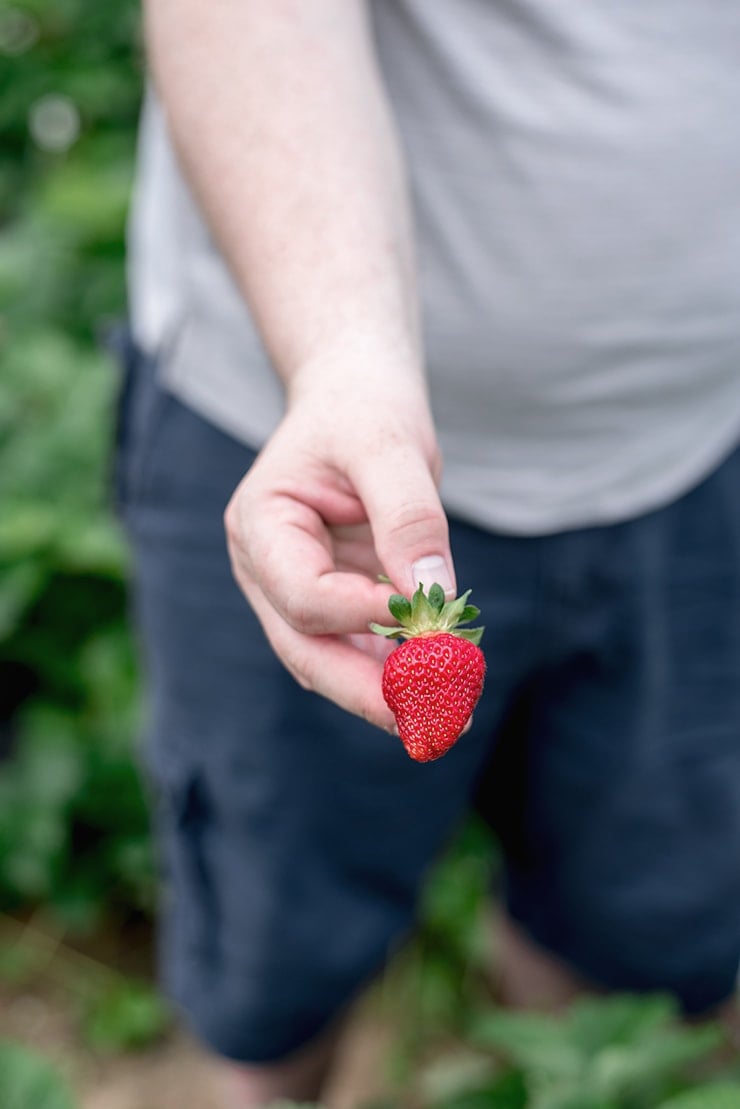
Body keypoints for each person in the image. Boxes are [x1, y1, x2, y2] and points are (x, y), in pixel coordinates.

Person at [120, 1, 740, 1104]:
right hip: (308, 457)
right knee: (276, 943)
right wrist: (341, 359)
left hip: (702, 446)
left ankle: (566, 1075)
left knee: (636, 921)